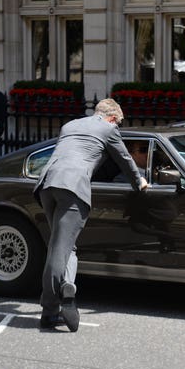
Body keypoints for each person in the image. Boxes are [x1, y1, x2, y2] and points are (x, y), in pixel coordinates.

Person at [33, 98, 149, 332]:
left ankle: (66, 286)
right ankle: (49, 310)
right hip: (73, 187)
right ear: (113, 118)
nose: (118, 129)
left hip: (47, 185)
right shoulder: (108, 129)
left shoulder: (71, 125)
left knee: (64, 246)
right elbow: (125, 158)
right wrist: (140, 182)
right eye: (119, 124)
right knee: (59, 250)